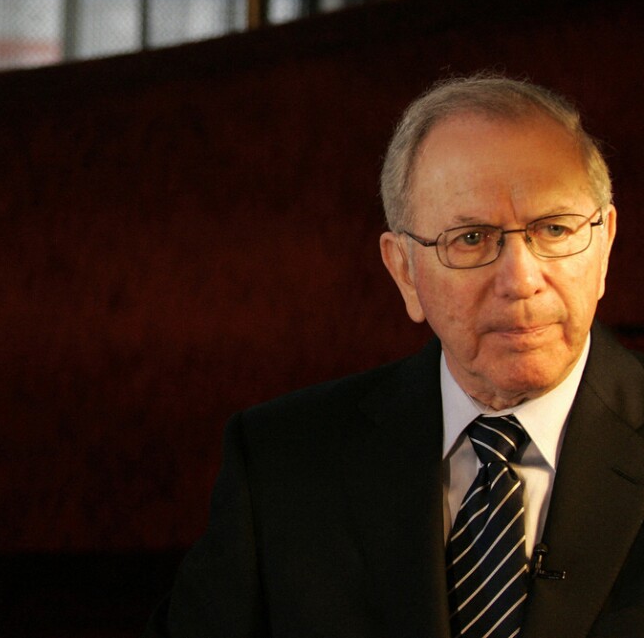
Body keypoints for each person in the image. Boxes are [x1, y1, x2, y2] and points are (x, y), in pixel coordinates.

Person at [145, 74, 644, 638]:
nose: (522, 279)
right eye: (472, 239)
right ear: (404, 270)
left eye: (554, 229)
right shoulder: (281, 463)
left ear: (604, 244)